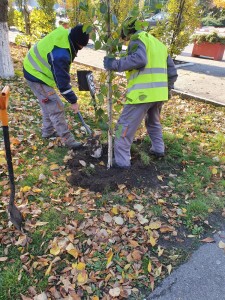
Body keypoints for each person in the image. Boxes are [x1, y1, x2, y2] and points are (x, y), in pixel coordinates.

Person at [103, 19, 178, 169]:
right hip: (159, 94)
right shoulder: (159, 44)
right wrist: (167, 90)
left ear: (126, 31)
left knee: (123, 127)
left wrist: (115, 64)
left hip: (142, 94)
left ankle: (122, 164)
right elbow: (172, 72)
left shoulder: (137, 39)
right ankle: (158, 149)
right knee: (153, 122)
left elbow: (140, 59)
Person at [23, 24, 89, 150]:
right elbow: (62, 82)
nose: (80, 50)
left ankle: (47, 132)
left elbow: (61, 75)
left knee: (47, 104)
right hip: (35, 74)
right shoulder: (61, 54)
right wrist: (73, 101)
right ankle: (68, 140)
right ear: (76, 42)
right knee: (56, 106)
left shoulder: (65, 35)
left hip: (36, 69)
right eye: (80, 47)